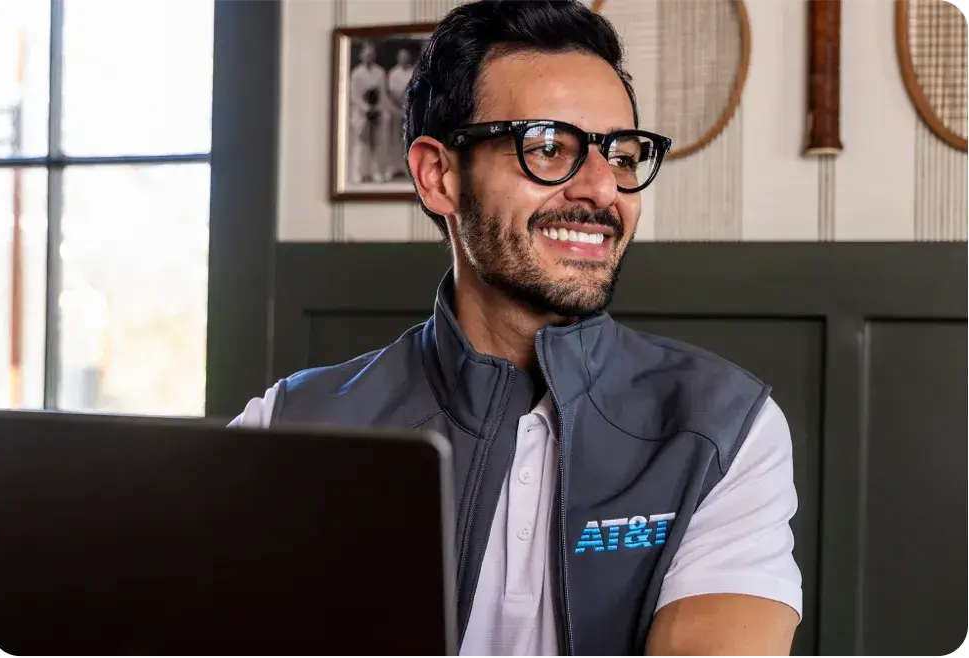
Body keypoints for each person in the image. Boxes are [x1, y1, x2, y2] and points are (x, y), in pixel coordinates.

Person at [233, 0, 802, 656]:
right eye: (547, 147)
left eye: (619, 154)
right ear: (438, 175)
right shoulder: (286, 428)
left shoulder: (727, 429)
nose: (601, 188)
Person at [348, 41, 387, 184]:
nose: (369, 57)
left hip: (377, 112)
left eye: (372, 55)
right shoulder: (356, 73)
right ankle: (359, 173)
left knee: (376, 143)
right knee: (361, 143)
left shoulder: (380, 72)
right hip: (361, 114)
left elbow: (382, 93)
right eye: (367, 54)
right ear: (361, 56)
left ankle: (376, 172)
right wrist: (366, 109)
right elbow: (354, 95)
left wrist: (377, 109)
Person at [384, 47, 416, 180]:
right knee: (395, 139)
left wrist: (409, 104)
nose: (404, 59)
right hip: (396, 110)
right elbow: (391, 93)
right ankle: (394, 168)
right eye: (402, 57)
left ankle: (408, 169)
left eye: (406, 56)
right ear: (398, 58)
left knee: (409, 138)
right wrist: (400, 105)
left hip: (411, 109)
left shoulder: (414, 71)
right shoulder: (393, 73)